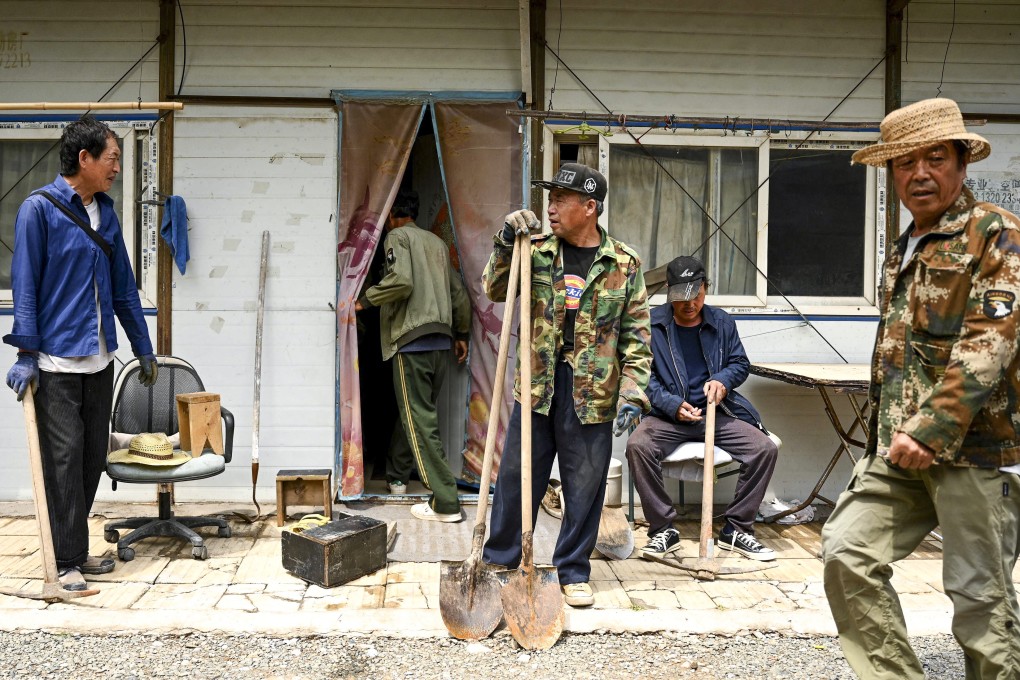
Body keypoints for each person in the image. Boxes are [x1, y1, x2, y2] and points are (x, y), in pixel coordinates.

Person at [822, 98, 1020, 679]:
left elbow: (993, 341)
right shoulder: (907, 243)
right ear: (891, 173)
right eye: (905, 163)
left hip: (976, 452)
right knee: (847, 554)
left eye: (936, 158)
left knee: (981, 601)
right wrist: (895, 434)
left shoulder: (996, 234)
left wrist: (931, 428)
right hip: (898, 450)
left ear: (962, 162)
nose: (920, 173)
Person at [481, 163, 652, 608]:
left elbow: (637, 337)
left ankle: (573, 571)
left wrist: (633, 392)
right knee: (518, 478)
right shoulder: (532, 250)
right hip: (538, 386)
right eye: (549, 199)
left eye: (561, 200)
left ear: (590, 207)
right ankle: (502, 559)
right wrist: (504, 242)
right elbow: (494, 289)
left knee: (584, 486)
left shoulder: (624, 263)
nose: (551, 208)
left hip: (594, 392)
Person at [3, 116, 157, 592]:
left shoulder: (105, 214)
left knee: (92, 459)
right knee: (64, 462)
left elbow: (123, 287)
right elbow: (25, 284)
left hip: (99, 360)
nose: (116, 168)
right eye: (111, 158)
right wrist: (26, 351)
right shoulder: (39, 210)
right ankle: (64, 560)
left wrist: (143, 346)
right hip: (55, 363)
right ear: (84, 159)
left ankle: (75, 551)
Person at [625, 256, 778, 562]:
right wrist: (671, 404)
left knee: (764, 448)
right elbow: (639, 375)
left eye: (696, 295)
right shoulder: (652, 325)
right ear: (669, 292)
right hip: (668, 417)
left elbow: (739, 363)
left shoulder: (721, 322)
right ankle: (662, 529)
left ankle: (736, 528)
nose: (690, 304)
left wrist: (722, 381)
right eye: (682, 297)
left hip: (716, 413)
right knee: (637, 445)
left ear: (706, 289)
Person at [356, 189, 470, 522]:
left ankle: (446, 501)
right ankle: (396, 477)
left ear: (392, 215)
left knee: (420, 422)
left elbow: (401, 281)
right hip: (439, 343)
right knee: (416, 414)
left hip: (412, 342)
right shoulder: (435, 243)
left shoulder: (396, 237)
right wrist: (461, 334)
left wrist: (365, 299)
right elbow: (458, 291)